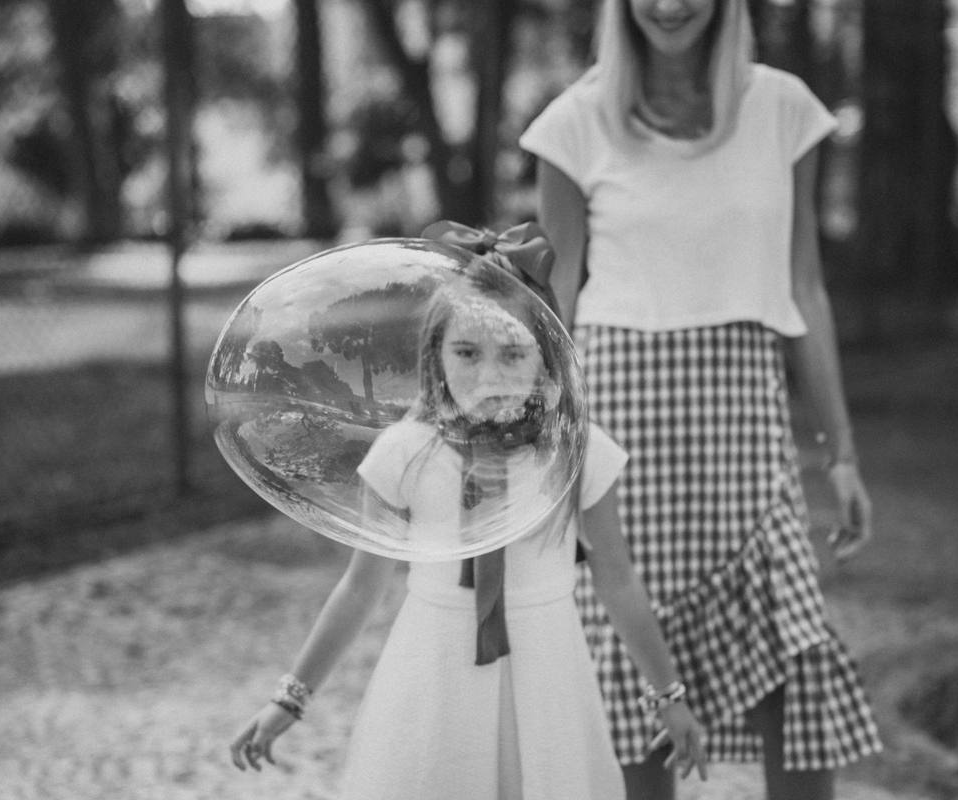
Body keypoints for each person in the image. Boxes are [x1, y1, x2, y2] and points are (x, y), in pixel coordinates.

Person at [518, 0, 883, 798]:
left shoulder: (783, 109)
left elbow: (805, 287)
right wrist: (546, 450)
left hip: (746, 406)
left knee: (798, 665)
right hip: (620, 407)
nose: (669, 6)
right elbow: (560, 307)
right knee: (633, 676)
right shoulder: (573, 124)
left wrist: (843, 453)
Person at [228, 228, 708, 799]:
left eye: (512, 353)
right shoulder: (406, 454)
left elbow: (619, 582)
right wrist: (292, 697)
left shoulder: (577, 452)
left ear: (545, 357)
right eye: (466, 352)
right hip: (433, 667)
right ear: (435, 356)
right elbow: (360, 589)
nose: (489, 374)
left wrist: (668, 695)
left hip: (549, 669)